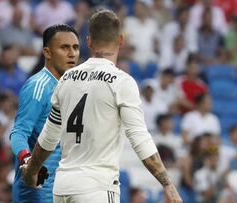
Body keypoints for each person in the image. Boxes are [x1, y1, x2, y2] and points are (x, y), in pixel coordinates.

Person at [21, 10, 182, 203]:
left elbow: (49, 135)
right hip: (96, 187)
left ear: (88, 41)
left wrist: (32, 170)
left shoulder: (66, 79)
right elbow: (139, 137)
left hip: (63, 188)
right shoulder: (122, 82)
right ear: (120, 41)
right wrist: (167, 184)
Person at [10, 24, 79, 203]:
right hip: (38, 190)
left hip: (64, 188)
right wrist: (28, 161)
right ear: (47, 53)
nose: (72, 53)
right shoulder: (38, 86)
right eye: (64, 47)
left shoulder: (73, 87)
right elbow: (18, 133)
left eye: (75, 47)